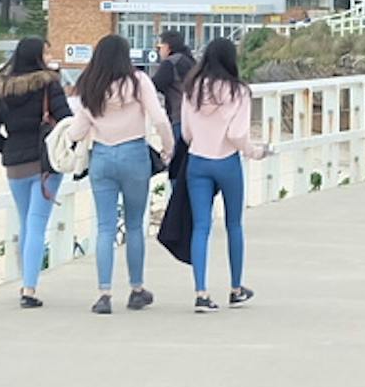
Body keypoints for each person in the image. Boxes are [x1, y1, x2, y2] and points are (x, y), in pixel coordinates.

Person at [71, 34, 174, 316]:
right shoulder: (138, 82)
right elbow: (160, 118)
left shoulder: (89, 85)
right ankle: (137, 289)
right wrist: (168, 148)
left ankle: (104, 293)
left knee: (105, 227)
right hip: (133, 154)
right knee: (134, 225)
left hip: (102, 156)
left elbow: (78, 130)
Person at [0, 37, 73, 310]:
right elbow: (65, 119)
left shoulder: (0, 87)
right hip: (45, 162)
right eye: (46, 50)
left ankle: (25, 282)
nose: (49, 55)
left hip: (15, 165)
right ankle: (29, 289)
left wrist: (8, 149)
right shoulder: (48, 83)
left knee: (25, 223)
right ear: (37, 55)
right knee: (37, 224)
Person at [178, 37, 267, 312]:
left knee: (201, 227)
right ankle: (236, 288)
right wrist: (254, 151)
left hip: (197, 161)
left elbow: (186, 133)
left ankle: (201, 293)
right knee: (234, 225)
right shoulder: (238, 91)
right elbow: (237, 134)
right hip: (227, 161)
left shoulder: (192, 89)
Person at [151, 28, 197, 155]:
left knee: (178, 160)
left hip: (179, 117)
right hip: (196, 117)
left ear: (168, 47)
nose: (158, 50)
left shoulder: (170, 63)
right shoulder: (191, 61)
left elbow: (154, 85)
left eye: (159, 46)